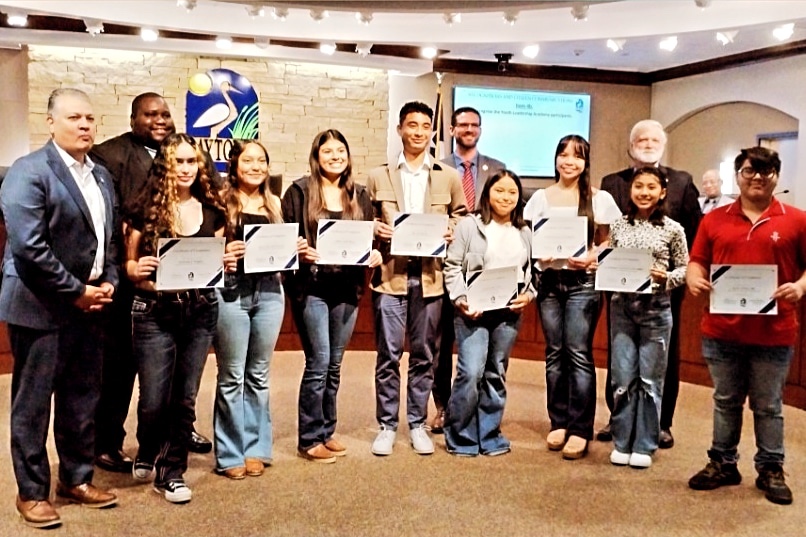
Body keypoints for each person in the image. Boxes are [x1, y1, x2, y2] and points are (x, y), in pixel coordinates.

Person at [0, 88, 119, 528]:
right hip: (40, 305)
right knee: (33, 405)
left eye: (89, 117)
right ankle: (31, 493)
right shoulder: (28, 172)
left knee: (82, 397)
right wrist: (76, 291)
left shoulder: (101, 175)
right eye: (73, 118)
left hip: (89, 306)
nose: (84, 125)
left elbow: (107, 239)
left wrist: (109, 281)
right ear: (51, 123)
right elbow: (29, 249)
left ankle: (76, 477)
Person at [89, 92, 212, 472]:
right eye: (150, 114)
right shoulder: (108, 155)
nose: (159, 120)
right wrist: (123, 266)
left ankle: (177, 431)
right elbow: (107, 221)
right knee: (122, 367)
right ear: (132, 118)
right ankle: (108, 441)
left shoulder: (187, 154)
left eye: (165, 114)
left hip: (184, 286)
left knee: (182, 377)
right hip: (130, 283)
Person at [687, 147, 806, 506]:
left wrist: (800, 286)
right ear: (737, 175)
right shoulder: (714, 219)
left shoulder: (797, 220)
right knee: (725, 400)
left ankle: (771, 467)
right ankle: (722, 462)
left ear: (776, 176)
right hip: (722, 330)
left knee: (768, 404)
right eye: (750, 171)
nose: (757, 177)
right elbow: (697, 262)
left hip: (775, 332)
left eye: (766, 172)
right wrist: (694, 280)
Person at [124, 133, 232, 503]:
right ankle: (147, 446)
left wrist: (224, 264)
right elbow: (128, 265)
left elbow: (216, 263)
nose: (185, 169)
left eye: (191, 162)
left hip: (200, 311)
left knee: (184, 398)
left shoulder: (214, 211)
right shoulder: (144, 209)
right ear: (165, 166)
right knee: (154, 399)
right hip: (153, 311)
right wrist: (137, 269)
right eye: (178, 162)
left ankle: (172, 472)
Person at [366, 101, 467, 456]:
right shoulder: (379, 176)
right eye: (412, 125)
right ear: (400, 130)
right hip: (389, 277)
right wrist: (373, 228)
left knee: (425, 355)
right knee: (388, 355)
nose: (419, 132)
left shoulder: (447, 175)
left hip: (430, 278)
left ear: (432, 132)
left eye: (426, 126)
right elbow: (364, 221)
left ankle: (418, 422)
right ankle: (387, 425)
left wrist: (451, 229)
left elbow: (461, 216)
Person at [599, 119, 702, 449]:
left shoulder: (683, 181)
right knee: (620, 357)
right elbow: (606, 236)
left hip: (663, 291)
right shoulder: (610, 181)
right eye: (640, 139)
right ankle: (618, 419)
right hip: (621, 288)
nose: (647, 143)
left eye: (653, 139)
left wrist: (673, 276)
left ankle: (661, 423)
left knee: (661, 359)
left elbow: (694, 235)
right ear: (631, 146)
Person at [282, 130, 382, 463]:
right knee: (319, 361)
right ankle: (309, 438)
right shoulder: (298, 191)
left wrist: (374, 254)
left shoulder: (360, 195)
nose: (335, 156)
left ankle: (327, 429)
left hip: (347, 288)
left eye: (341, 150)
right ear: (317, 155)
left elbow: (367, 240)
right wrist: (298, 250)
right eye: (328, 151)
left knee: (335, 365)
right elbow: (284, 241)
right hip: (311, 288)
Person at [524, 134, 621, 460]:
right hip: (550, 282)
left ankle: (580, 428)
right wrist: (541, 254)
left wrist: (593, 256)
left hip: (583, 283)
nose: (569, 161)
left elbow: (609, 241)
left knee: (578, 353)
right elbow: (529, 240)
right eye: (563, 154)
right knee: (554, 353)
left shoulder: (600, 198)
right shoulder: (540, 198)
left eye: (577, 156)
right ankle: (559, 421)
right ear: (555, 159)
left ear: (585, 162)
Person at [213, 140, 294, 478]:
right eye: (248, 160)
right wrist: (224, 252)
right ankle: (230, 453)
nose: (256, 166)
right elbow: (208, 247)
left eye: (262, 160)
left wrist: (295, 249)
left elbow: (282, 250)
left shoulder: (275, 203)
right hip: (231, 292)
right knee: (232, 375)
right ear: (235, 165)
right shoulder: (219, 201)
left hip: (270, 292)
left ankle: (256, 448)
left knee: (259, 375)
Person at [443, 170, 534, 456]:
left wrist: (528, 296)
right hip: (474, 309)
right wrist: (460, 298)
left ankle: (489, 433)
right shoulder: (470, 226)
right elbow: (453, 265)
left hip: (508, 311)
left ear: (519, 198)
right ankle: (460, 435)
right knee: (470, 371)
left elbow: (532, 275)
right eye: (499, 191)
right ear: (487, 193)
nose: (505, 197)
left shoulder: (525, 231)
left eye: (512, 192)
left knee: (496, 372)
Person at [431, 106, 507, 433]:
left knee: (479, 348)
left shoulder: (497, 168)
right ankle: (441, 406)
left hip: (485, 266)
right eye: (463, 124)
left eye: (475, 125)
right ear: (451, 129)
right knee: (442, 341)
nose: (469, 129)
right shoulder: (438, 168)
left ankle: (472, 407)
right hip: (446, 261)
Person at [607, 167, 688, 469]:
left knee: (650, 380)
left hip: (656, 308)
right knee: (623, 377)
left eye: (651, 187)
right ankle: (622, 440)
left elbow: (685, 269)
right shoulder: (618, 226)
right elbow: (611, 261)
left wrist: (666, 277)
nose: (644, 192)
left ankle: (644, 443)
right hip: (622, 307)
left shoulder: (673, 228)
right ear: (630, 190)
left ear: (662, 192)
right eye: (638, 186)